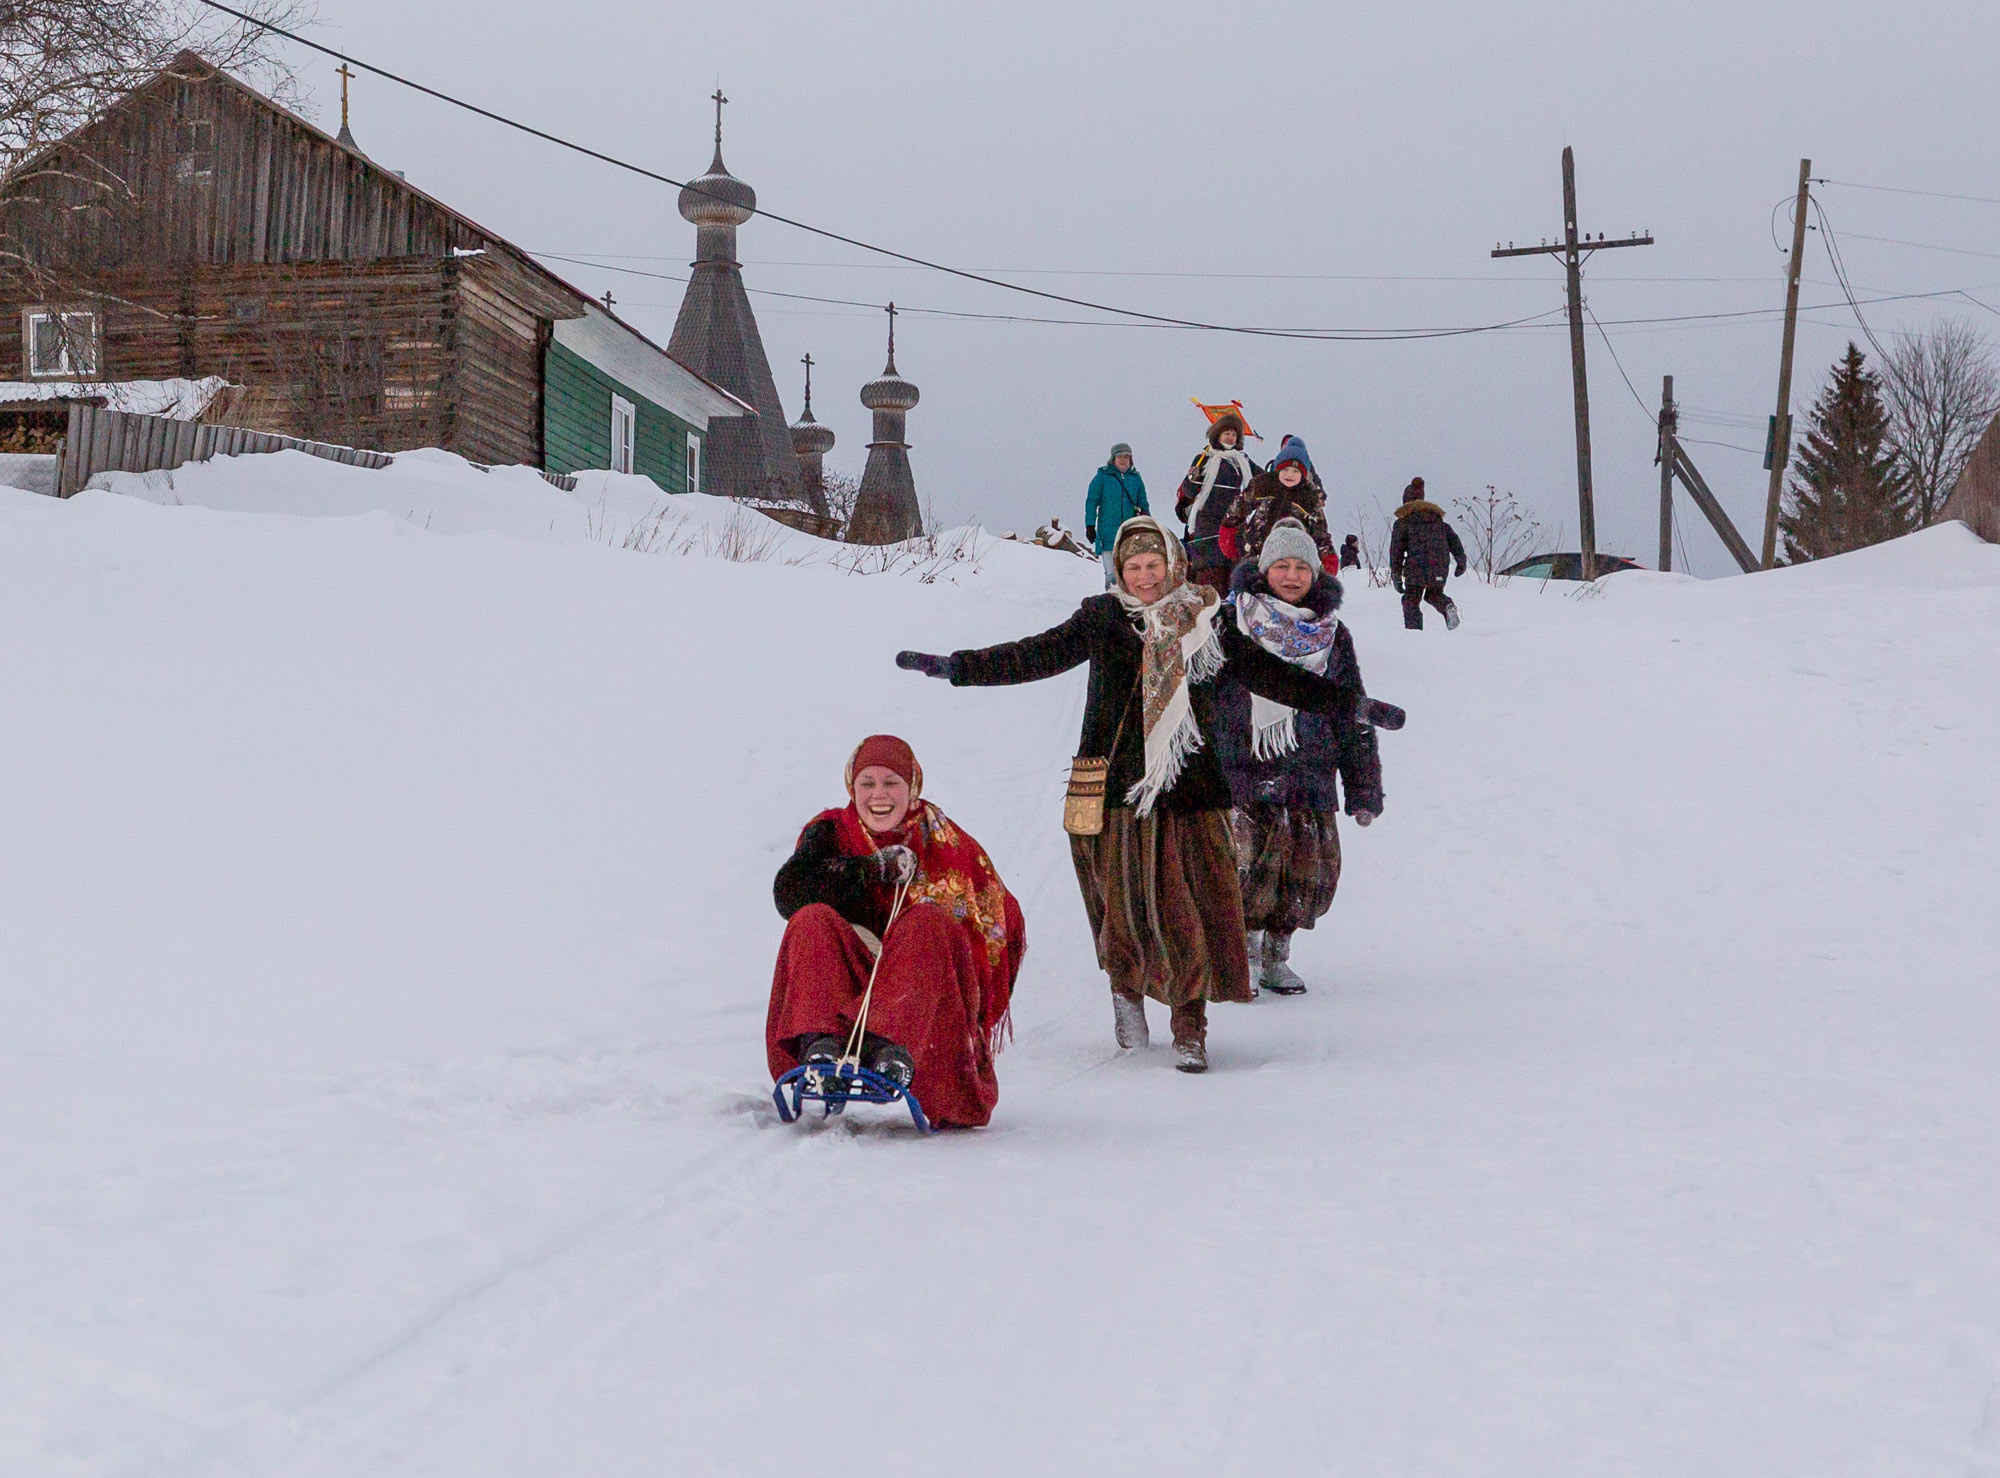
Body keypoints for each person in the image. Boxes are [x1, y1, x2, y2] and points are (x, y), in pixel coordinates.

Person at [894, 516, 1370, 1073]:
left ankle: (1190, 1025)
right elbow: (1036, 654)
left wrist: (1348, 704)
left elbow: (1269, 674)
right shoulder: (1100, 618)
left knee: (1191, 906)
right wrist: (959, 668)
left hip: (1191, 788)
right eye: (1134, 567)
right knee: (1120, 905)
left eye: (1153, 565)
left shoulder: (1208, 620)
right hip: (1115, 788)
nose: (1145, 577)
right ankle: (1126, 994)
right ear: (1119, 570)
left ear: (1173, 563)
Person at [768, 734, 1027, 1129]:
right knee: (811, 920)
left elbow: (998, 919)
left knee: (928, 920)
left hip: (922, 995)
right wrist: (873, 869)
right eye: (867, 784)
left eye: (891, 783)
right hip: (847, 986)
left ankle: (889, 1048)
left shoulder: (944, 841)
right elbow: (789, 893)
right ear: (851, 788)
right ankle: (820, 1046)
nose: (878, 795)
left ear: (913, 788)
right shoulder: (831, 832)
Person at [1215, 519, 1382, 996]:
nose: (1291, 576)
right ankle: (1242, 952)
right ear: (1264, 570)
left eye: (1301, 568)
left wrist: (1363, 788)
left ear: (1315, 574)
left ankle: (1276, 953)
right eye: (1281, 566)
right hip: (1243, 766)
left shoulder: (1333, 634)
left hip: (1309, 770)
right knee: (1246, 868)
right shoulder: (1234, 622)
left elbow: (1353, 708)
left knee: (1308, 872)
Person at [1221, 435, 1336, 570]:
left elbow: (1320, 532)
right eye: (1285, 469)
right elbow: (1240, 505)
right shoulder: (1263, 485)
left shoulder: (1308, 498)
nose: (1289, 475)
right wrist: (1228, 530)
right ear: (1278, 468)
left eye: (1295, 471)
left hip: (1291, 560)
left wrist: (1328, 556)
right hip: (1256, 554)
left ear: (1304, 474)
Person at [1175, 410, 1258, 594]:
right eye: (1227, 433)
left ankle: (1230, 620)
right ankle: (1209, 619)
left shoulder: (1242, 461)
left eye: (1234, 434)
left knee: (1233, 578)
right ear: (1217, 434)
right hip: (1206, 527)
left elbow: (1263, 482)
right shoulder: (1204, 458)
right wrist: (1192, 477)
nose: (1230, 437)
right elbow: (1189, 491)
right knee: (1210, 580)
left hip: (1233, 525)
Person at [1388, 477, 1468, 630]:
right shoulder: (1439, 523)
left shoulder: (1403, 523)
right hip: (1439, 566)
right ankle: (1447, 606)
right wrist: (1461, 561)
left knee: (1410, 600)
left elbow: (1396, 552)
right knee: (1434, 594)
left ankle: (1414, 634)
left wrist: (1396, 575)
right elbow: (1455, 542)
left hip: (1416, 567)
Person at [1084, 443, 1148, 588]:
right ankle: (1112, 603)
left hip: (1130, 533)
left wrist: (1147, 525)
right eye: (1120, 456)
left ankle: (1128, 605)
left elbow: (1143, 504)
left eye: (1126, 456)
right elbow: (1092, 501)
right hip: (1108, 533)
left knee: (1129, 572)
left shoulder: (1136, 479)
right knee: (1112, 575)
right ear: (1113, 458)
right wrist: (1090, 525)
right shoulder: (1102, 477)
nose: (1123, 459)